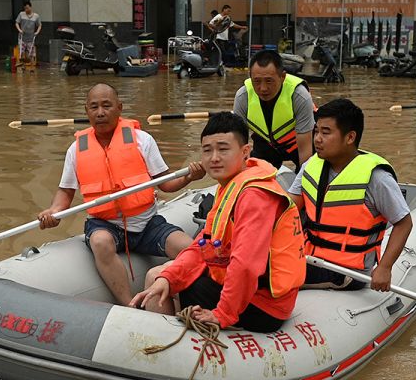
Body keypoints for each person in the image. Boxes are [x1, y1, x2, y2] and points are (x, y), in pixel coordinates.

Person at [130, 112, 306, 333]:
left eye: (223, 149)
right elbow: (203, 245)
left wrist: (222, 314)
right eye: (207, 150)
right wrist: (170, 278)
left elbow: (246, 265)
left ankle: (164, 345)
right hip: (250, 289)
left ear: (245, 152)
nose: (214, 157)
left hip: (264, 304)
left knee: (158, 276)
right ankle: (168, 331)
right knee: (161, 276)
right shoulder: (231, 186)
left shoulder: (254, 196)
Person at [37, 83, 205, 305]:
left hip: (147, 223)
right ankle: (130, 305)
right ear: (86, 110)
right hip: (105, 224)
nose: (100, 113)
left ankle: (188, 297)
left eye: (107, 106)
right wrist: (54, 211)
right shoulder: (75, 150)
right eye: (94, 107)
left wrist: (188, 177)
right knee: (100, 242)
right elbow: (65, 191)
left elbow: (165, 183)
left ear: (119, 107)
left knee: (188, 247)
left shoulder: (142, 140)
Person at [288, 99, 412, 292]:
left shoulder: (377, 178)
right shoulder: (310, 166)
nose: (317, 139)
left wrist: (385, 268)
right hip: (308, 257)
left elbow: (404, 222)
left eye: (326, 132)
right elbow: (287, 209)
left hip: (346, 271)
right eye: (316, 131)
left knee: (271, 275)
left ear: (350, 137)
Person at [232, 50, 314, 169]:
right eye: (257, 81)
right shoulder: (242, 96)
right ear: (250, 77)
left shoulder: (299, 96)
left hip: (296, 143)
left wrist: (303, 184)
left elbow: (305, 151)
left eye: (269, 81)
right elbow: (238, 145)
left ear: (282, 77)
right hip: (265, 143)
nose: (263, 88)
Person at [15, 2, 41, 72]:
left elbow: (39, 25)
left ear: (30, 7)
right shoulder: (21, 14)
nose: (26, 9)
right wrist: (19, 30)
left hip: (31, 38)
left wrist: (37, 32)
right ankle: (23, 65)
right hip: (22, 37)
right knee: (22, 52)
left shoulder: (36, 16)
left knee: (31, 53)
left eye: (27, 8)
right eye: (25, 8)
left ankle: (32, 67)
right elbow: (17, 23)